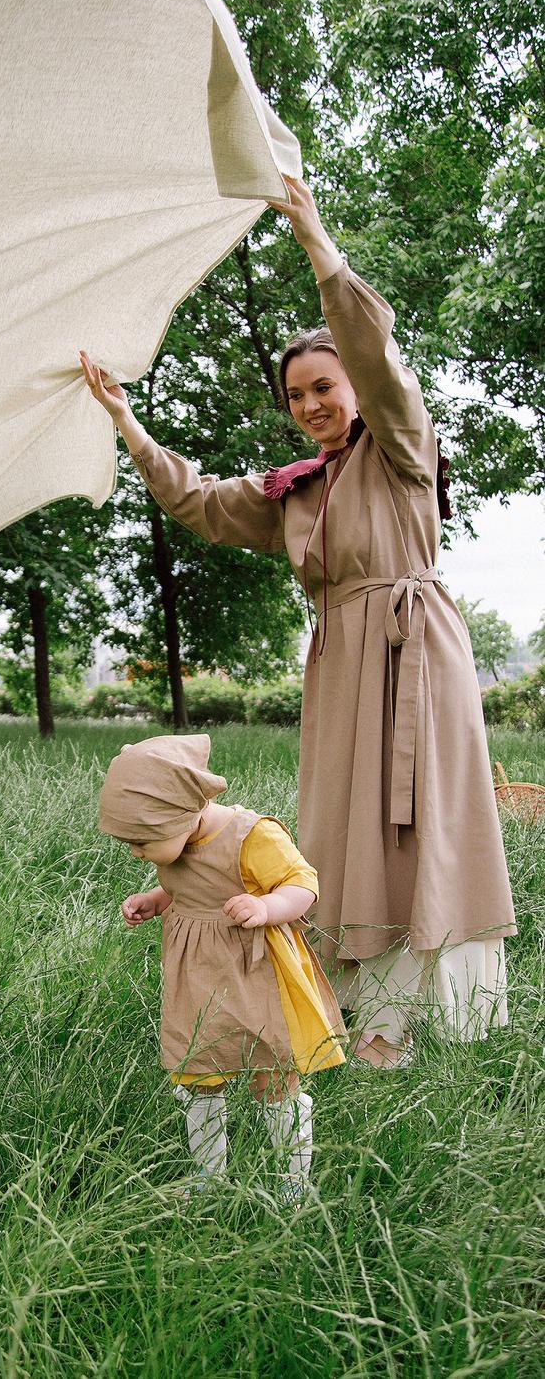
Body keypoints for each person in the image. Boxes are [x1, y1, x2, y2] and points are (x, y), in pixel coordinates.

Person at [81, 174, 516, 1067]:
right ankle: (347, 1006)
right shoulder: (294, 492)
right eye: (297, 396)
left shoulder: (401, 449)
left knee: (416, 828)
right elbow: (200, 500)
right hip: (341, 667)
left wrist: (315, 237)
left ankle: (404, 1021)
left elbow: (376, 351)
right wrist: (127, 423)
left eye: (326, 386)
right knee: (340, 833)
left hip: (414, 655)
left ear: (355, 387)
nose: (313, 404)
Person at [100, 733, 345, 1200]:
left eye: (142, 842)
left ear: (184, 814)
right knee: (198, 1071)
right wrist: (156, 900)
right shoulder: (176, 839)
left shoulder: (251, 837)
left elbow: (304, 884)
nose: (136, 852)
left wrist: (269, 906)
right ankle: (209, 1176)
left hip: (255, 974)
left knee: (272, 1072)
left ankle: (293, 1183)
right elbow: (187, 888)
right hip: (198, 979)